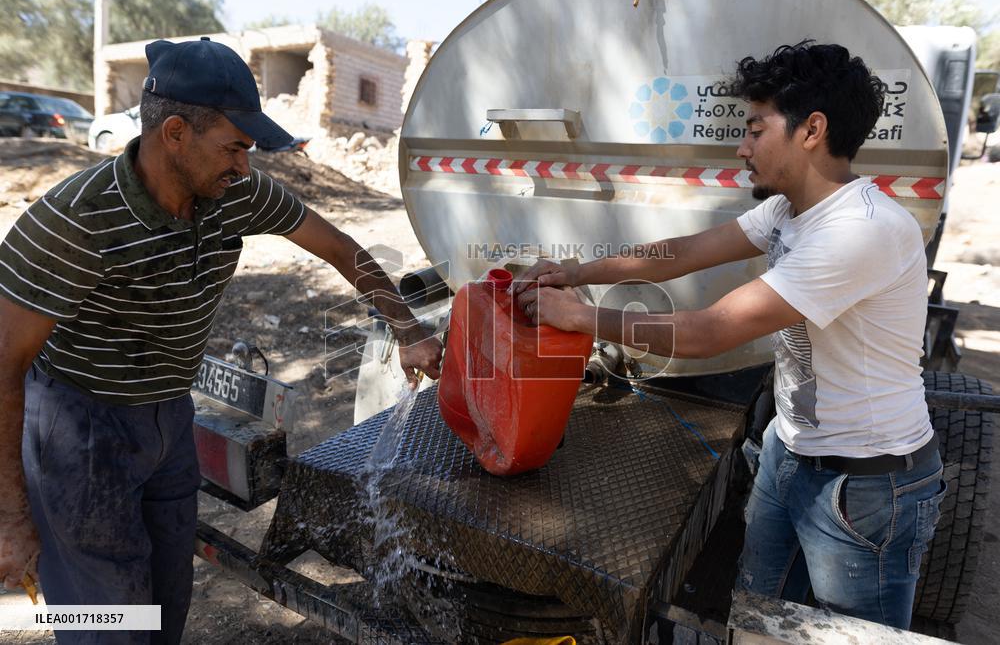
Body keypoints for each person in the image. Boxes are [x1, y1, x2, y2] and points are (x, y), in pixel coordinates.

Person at [0, 37, 442, 643]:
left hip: (167, 417)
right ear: (175, 132)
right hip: (81, 432)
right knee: (107, 622)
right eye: (234, 147)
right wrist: (11, 516)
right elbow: (4, 363)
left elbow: (340, 248)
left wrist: (409, 329)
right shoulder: (75, 220)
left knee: (163, 604)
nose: (244, 165)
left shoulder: (234, 193)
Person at [513, 41, 945, 629]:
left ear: (812, 129)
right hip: (789, 453)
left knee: (849, 636)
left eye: (755, 128)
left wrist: (581, 317)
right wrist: (576, 273)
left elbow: (708, 332)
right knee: (760, 619)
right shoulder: (788, 210)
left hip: (866, 487)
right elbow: (679, 254)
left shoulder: (860, 231)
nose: (741, 147)